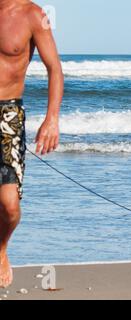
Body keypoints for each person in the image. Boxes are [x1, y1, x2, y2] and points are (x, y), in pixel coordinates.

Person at [0, 0, 63, 288]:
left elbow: (55, 69)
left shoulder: (34, 16)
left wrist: (51, 119)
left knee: (10, 206)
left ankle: (1, 248)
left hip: (8, 116)